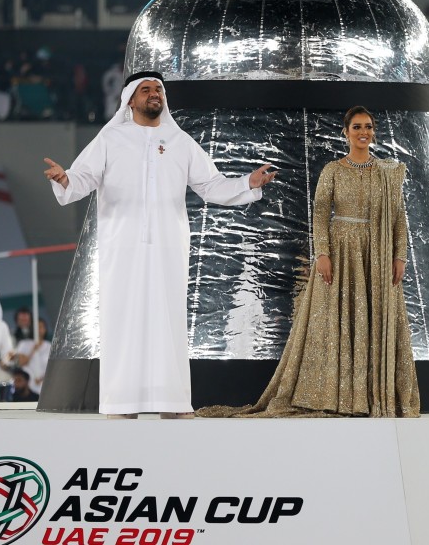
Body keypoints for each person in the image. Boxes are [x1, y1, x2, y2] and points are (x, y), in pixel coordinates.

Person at [43, 71, 275, 419]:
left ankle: (173, 402)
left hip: (168, 244)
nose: (154, 94)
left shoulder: (178, 140)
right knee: (123, 318)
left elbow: (210, 185)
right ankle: (120, 403)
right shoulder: (111, 138)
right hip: (122, 245)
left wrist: (247, 182)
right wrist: (66, 179)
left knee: (167, 320)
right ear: (130, 100)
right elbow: (83, 178)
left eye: (158, 90)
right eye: (146, 89)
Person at [199, 106, 420, 418]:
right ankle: (341, 396)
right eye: (356, 127)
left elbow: (398, 218)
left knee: (373, 317)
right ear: (346, 132)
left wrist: (400, 256)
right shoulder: (332, 170)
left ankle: (372, 396)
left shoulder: (387, 173)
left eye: (368, 127)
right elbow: (319, 214)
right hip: (342, 252)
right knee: (338, 319)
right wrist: (323, 254)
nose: (363, 132)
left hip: (378, 254)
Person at [14, 318, 50, 395]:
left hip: (44, 386)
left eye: (41, 327)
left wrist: (42, 378)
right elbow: (21, 363)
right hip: (27, 388)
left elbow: (52, 368)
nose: (39, 329)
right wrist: (33, 350)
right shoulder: (24, 344)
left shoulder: (50, 346)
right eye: (37, 327)